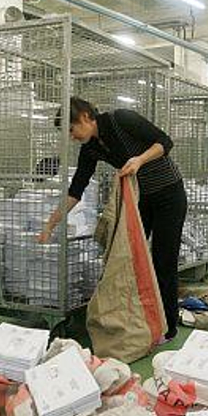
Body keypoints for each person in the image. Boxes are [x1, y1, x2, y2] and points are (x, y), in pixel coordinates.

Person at [40, 98, 186, 342]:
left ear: (85, 117)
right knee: (128, 258)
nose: (72, 137)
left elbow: (165, 142)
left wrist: (139, 160)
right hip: (142, 199)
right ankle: (136, 318)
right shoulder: (91, 148)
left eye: (72, 130)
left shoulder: (121, 119)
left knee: (163, 262)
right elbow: (76, 190)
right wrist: (50, 224)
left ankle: (168, 326)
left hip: (169, 194)